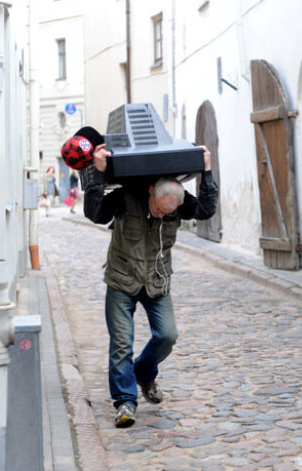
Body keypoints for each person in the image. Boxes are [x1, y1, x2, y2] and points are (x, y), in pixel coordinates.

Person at [84, 141, 218, 428]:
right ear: (149, 194)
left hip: (157, 282)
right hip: (122, 279)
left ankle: (143, 374)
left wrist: (206, 171)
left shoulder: (175, 205)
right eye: (158, 210)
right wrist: (98, 173)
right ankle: (125, 402)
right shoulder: (124, 197)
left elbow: (206, 209)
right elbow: (95, 213)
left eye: (167, 213)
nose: (162, 215)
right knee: (121, 344)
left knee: (167, 335)